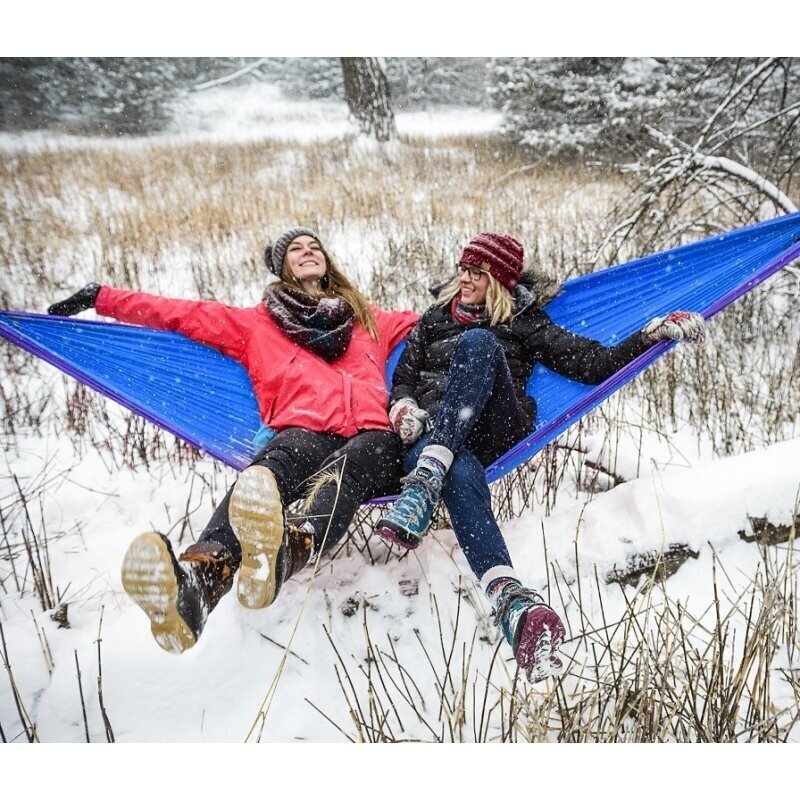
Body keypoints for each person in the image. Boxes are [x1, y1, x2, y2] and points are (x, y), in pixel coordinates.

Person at [48, 228, 418, 655]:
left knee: (352, 463)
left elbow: (443, 320)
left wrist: (505, 290)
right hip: (304, 431)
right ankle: (196, 591)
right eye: (296, 249)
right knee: (267, 474)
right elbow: (180, 313)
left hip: (374, 436)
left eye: (314, 246)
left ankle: (284, 555)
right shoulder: (254, 324)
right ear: (283, 268)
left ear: (327, 260)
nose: (308, 251)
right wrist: (103, 298)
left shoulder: (368, 318)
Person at [374, 232, 706, 682]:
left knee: (477, 344)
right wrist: (404, 408)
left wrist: (649, 334)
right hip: (436, 433)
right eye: (464, 269)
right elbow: (404, 381)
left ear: (500, 282)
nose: (466, 279)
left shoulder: (524, 321)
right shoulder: (433, 319)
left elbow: (591, 363)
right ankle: (512, 601)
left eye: (478, 273)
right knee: (458, 467)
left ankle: (426, 478)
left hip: (494, 424)